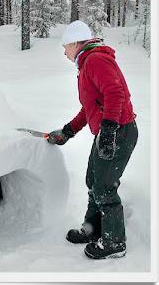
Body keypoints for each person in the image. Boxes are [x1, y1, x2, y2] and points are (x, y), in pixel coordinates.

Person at [47, 20, 138, 260]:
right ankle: (93, 228)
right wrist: (67, 131)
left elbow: (115, 92)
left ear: (75, 43)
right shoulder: (86, 65)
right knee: (93, 180)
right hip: (109, 131)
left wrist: (108, 129)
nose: (63, 52)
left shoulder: (96, 60)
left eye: (65, 47)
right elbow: (89, 109)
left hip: (120, 131)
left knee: (105, 187)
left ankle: (115, 242)